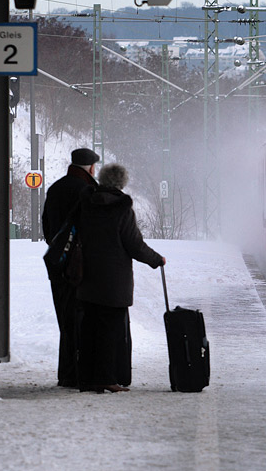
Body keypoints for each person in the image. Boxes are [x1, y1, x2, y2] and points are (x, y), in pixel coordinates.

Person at [76, 163, 165, 393]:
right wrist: (156, 259)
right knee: (110, 331)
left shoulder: (87, 204)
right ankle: (106, 377)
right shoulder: (122, 209)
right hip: (113, 281)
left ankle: (86, 378)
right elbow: (134, 245)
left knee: (89, 329)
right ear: (122, 183)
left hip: (87, 276)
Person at [41, 147, 100, 388]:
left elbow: (46, 224)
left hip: (58, 264)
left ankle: (66, 373)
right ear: (91, 167)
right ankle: (80, 373)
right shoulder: (88, 190)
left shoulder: (56, 188)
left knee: (65, 320)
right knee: (82, 320)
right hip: (81, 267)